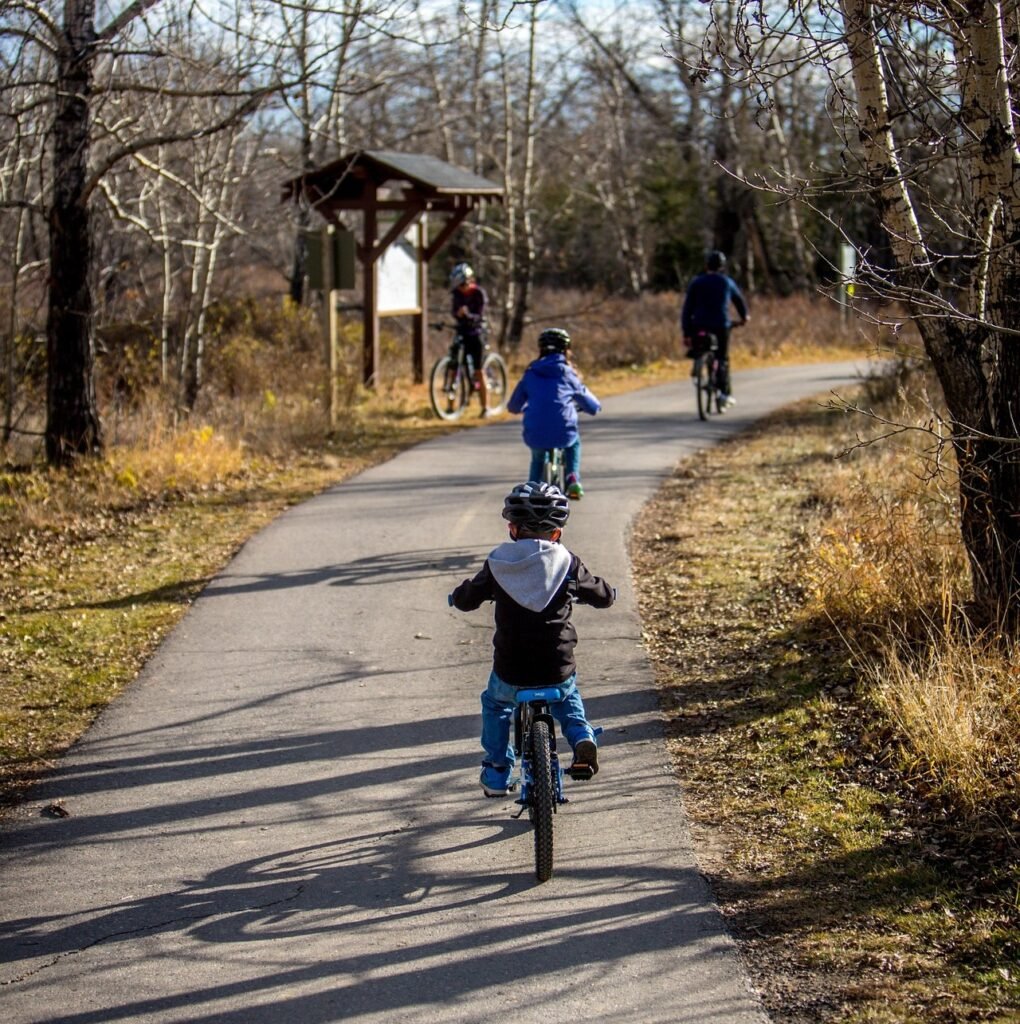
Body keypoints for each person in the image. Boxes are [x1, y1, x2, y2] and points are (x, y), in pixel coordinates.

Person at [449, 481, 616, 796]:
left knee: (496, 704)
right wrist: (609, 593)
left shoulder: (499, 562)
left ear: (512, 529)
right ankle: (581, 737)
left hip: (511, 668)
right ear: (557, 533)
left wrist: (458, 597)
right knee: (567, 696)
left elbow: (468, 597)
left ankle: (497, 771)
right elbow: (601, 595)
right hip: (557, 664)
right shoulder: (568, 563)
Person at [506, 328, 600, 500]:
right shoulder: (568, 373)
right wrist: (591, 407)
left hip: (536, 431)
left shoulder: (531, 373)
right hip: (563, 430)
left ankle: (532, 488)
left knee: (538, 457)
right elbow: (592, 406)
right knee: (573, 443)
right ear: (566, 350)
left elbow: (513, 406)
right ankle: (572, 478)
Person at [681, 250, 749, 407]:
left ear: (706, 265)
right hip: (721, 325)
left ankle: (698, 369)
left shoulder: (696, 282)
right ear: (722, 266)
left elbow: (687, 309)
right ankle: (724, 393)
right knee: (722, 358)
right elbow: (739, 301)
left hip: (698, 325)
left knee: (700, 348)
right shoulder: (726, 282)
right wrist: (744, 317)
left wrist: (686, 332)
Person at [449, 261, 490, 416]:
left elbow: (480, 314)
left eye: (461, 284)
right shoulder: (456, 294)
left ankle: (485, 407)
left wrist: (468, 315)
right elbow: (453, 311)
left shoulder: (478, 293)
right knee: (454, 366)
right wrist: (457, 314)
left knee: (479, 371)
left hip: (475, 333)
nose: (460, 288)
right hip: (461, 333)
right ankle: (450, 406)